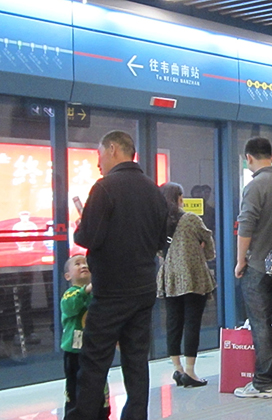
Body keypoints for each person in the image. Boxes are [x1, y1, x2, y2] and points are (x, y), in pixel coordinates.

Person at [66, 130, 168, 420]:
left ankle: (84, 415)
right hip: (144, 288)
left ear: (112, 149)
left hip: (111, 290)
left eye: (100, 154)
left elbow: (89, 237)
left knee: (95, 359)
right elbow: (160, 241)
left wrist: (80, 224)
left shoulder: (105, 188)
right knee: (136, 359)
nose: (99, 163)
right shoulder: (153, 190)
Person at [233, 137, 272, 398]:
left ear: (249, 158)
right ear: (271, 155)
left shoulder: (255, 185)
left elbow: (246, 226)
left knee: (260, 323)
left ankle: (265, 382)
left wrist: (240, 261)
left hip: (259, 265)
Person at [157, 182, 216, 388]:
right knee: (192, 322)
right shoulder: (190, 218)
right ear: (179, 198)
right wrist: (207, 254)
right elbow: (207, 237)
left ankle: (177, 368)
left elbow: (158, 249)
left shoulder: (159, 222)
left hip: (169, 277)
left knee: (173, 322)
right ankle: (190, 371)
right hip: (192, 276)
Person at [61, 255, 110, 420]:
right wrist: (86, 290)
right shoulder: (70, 294)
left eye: (86, 263)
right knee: (75, 387)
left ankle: (101, 413)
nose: (83, 266)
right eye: (77, 264)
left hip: (96, 350)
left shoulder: (98, 295)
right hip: (75, 353)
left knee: (99, 385)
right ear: (68, 276)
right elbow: (70, 307)